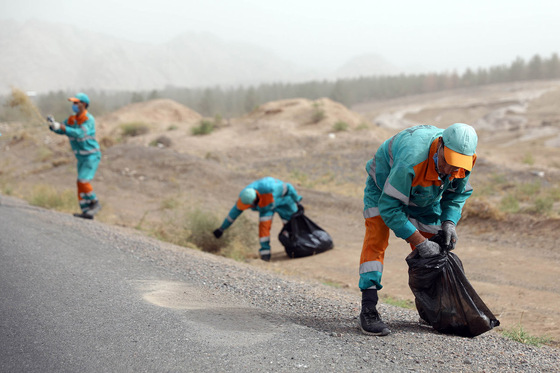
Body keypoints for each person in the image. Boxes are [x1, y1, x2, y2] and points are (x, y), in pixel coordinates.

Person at [358, 123, 478, 336]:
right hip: (383, 190)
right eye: (448, 162)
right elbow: (390, 207)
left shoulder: (462, 163)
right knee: (376, 240)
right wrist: (419, 241)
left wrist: (449, 222)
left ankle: (429, 308)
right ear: (440, 145)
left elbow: (456, 194)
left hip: (425, 192)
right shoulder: (411, 159)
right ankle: (369, 308)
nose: (451, 170)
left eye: (457, 166)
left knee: (434, 250)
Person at [213, 177, 303, 261]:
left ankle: (299, 246)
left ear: (254, 201)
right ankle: (265, 254)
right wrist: (222, 228)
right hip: (266, 208)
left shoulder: (271, 188)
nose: (248, 208)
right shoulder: (244, 196)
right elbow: (233, 214)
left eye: (249, 206)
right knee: (263, 231)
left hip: (283, 202)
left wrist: (297, 200)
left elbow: (289, 187)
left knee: (292, 225)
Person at [46, 93, 102, 219]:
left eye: (77, 103)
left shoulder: (88, 119)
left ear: (84, 104)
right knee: (79, 182)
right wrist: (53, 125)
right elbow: (62, 129)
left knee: (83, 180)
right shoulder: (72, 119)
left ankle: (95, 202)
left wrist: (62, 127)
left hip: (91, 156)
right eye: (73, 103)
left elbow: (80, 133)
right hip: (81, 157)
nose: (74, 105)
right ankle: (86, 211)